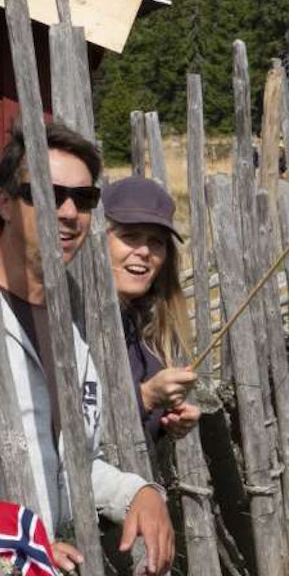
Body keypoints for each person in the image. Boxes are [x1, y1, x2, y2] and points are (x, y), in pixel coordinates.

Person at [0, 123, 176, 576]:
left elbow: (71, 466)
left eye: (84, 199)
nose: (69, 212)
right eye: (48, 195)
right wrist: (21, 540)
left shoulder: (70, 327)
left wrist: (137, 492)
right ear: (3, 203)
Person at [103, 177, 200, 446]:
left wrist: (168, 418)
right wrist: (145, 397)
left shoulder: (152, 325)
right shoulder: (72, 323)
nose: (144, 251)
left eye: (156, 241)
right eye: (130, 236)